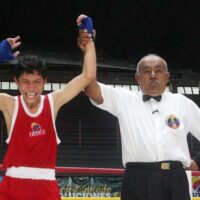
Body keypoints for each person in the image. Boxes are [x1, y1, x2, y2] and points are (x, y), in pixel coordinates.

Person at [77, 44, 200, 199]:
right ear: (137, 77)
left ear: (167, 76)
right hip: (137, 179)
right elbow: (90, 88)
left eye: (159, 70)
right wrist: (88, 48)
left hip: (175, 179)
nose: (153, 75)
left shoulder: (182, 103)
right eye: (147, 71)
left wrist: (197, 161)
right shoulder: (124, 99)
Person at [0, 14, 96, 200]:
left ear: (45, 81)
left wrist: (89, 41)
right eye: (25, 82)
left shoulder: (53, 102)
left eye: (37, 82)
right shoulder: (9, 103)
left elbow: (88, 75)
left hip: (46, 189)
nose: (31, 88)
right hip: (11, 188)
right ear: (16, 82)